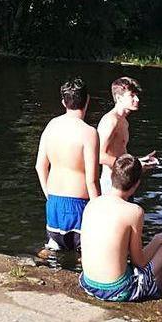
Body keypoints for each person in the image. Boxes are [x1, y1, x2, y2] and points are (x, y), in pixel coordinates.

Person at [79, 155, 162, 302]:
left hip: (87, 283)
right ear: (136, 184)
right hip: (117, 291)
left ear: (112, 176)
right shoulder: (134, 211)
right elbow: (140, 261)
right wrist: (157, 240)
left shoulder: (92, 203)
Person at [35, 78, 101, 252]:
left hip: (54, 203)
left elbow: (40, 166)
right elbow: (92, 180)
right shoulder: (89, 133)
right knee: (87, 255)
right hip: (79, 205)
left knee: (53, 251)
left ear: (63, 101)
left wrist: (48, 195)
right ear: (88, 100)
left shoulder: (51, 126)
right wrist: (99, 210)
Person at [98, 77, 157, 194]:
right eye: (132, 95)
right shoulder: (111, 121)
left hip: (124, 180)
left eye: (137, 95)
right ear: (119, 98)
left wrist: (138, 162)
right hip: (111, 183)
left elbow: (120, 153)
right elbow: (99, 156)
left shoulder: (124, 121)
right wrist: (132, 166)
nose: (137, 99)